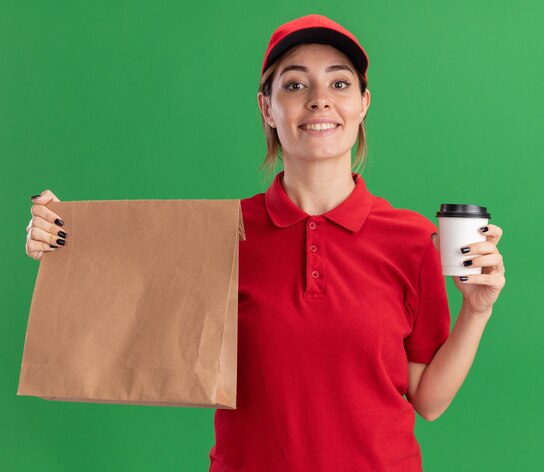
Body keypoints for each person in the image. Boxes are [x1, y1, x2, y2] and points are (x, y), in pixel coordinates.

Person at [24, 13, 506, 472]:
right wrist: (63, 240)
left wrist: (477, 309)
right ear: (267, 107)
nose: (319, 99)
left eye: (339, 83)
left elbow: (429, 401)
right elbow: (124, 292)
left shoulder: (411, 239)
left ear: (363, 103)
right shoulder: (220, 232)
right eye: (295, 84)